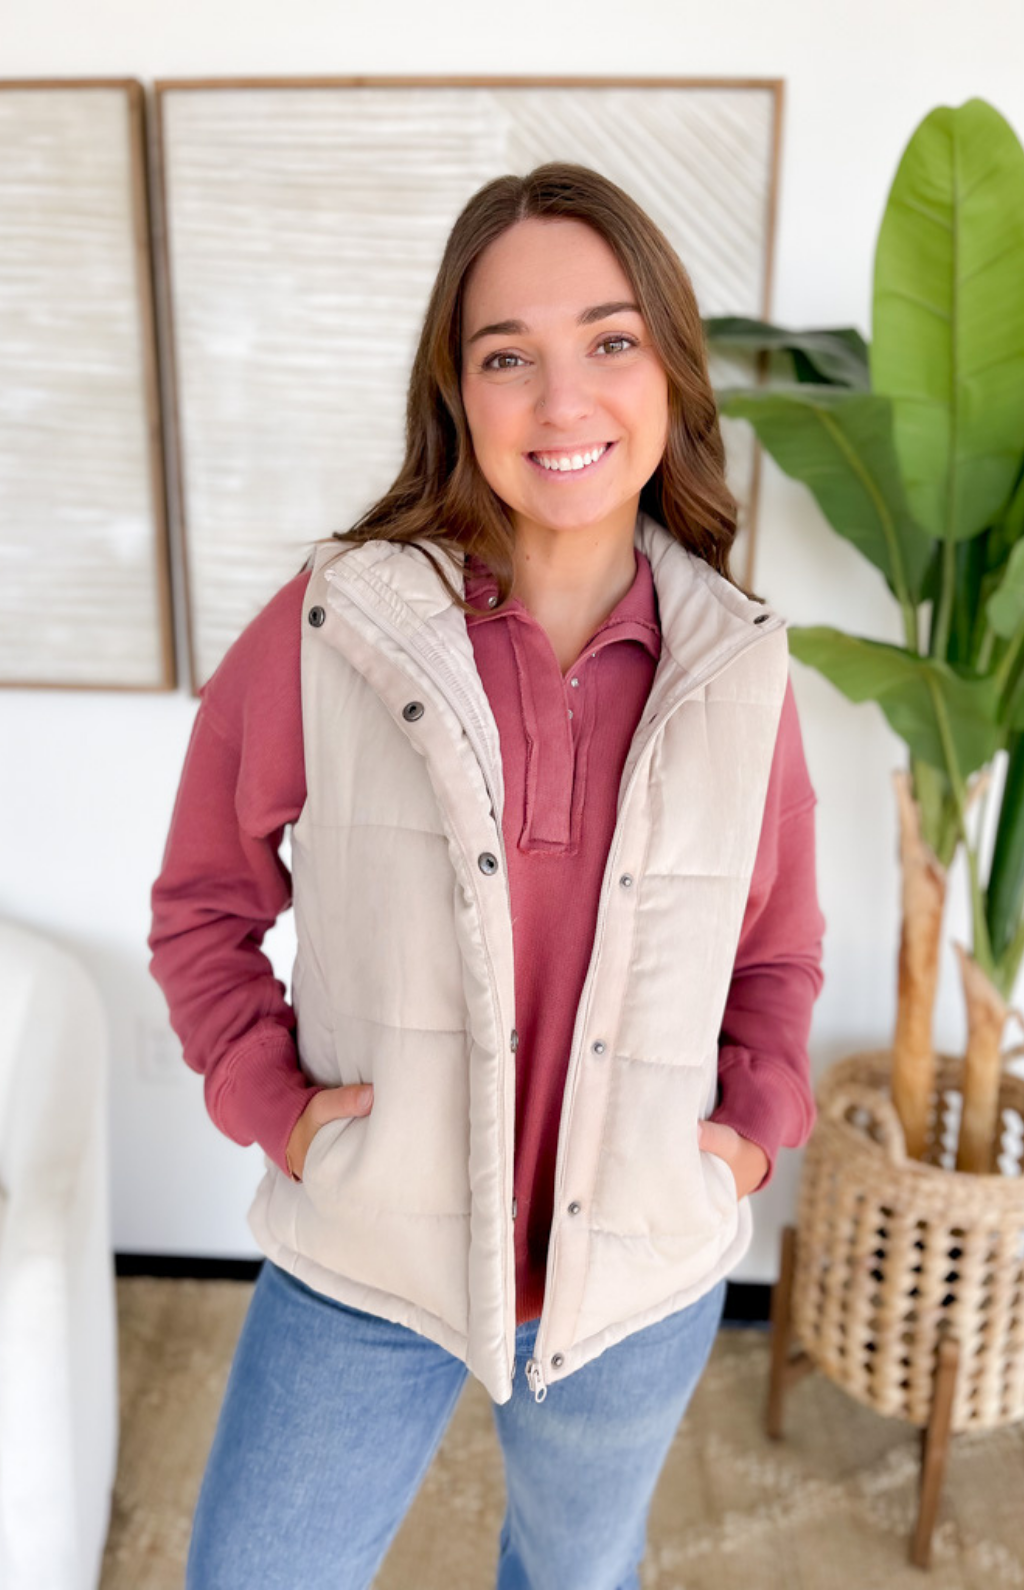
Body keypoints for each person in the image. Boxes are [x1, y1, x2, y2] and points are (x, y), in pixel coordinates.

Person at [148, 160, 826, 1590]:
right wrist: (278, 1111)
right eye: (508, 356)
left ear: (669, 369)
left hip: (634, 1274)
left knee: (576, 1576)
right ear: (458, 393)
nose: (563, 400)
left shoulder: (739, 665)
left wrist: (744, 1139)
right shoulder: (336, 624)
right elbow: (203, 905)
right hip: (366, 1254)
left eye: (610, 340)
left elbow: (777, 954)